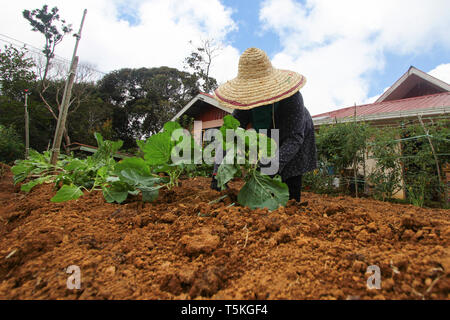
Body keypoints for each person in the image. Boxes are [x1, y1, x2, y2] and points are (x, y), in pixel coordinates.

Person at [210, 47, 317, 202]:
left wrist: (269, 167)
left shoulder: (292, 98)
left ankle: (292, 204)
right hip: (268, 136)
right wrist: (217, 171)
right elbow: (229, 133)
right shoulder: (245, 102)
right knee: (263, 195)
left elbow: (294, 139)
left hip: (294, 132)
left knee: (290, 191)